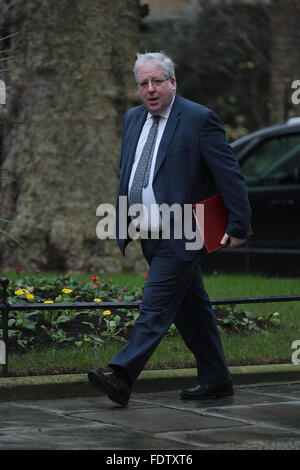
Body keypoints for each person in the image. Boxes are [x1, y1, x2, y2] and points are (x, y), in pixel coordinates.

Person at [88, 52, 252, 406]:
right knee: (192, 310)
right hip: (148, 231)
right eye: (143, 84)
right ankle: (217, 379)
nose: (150, 90)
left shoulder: (198, 119)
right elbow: (128, 171)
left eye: (157, 82)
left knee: (156, 305)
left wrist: (239, 223)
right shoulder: (132, 118)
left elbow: (229, 174)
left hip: (184, 230)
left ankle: (121, 376)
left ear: (172, 82)